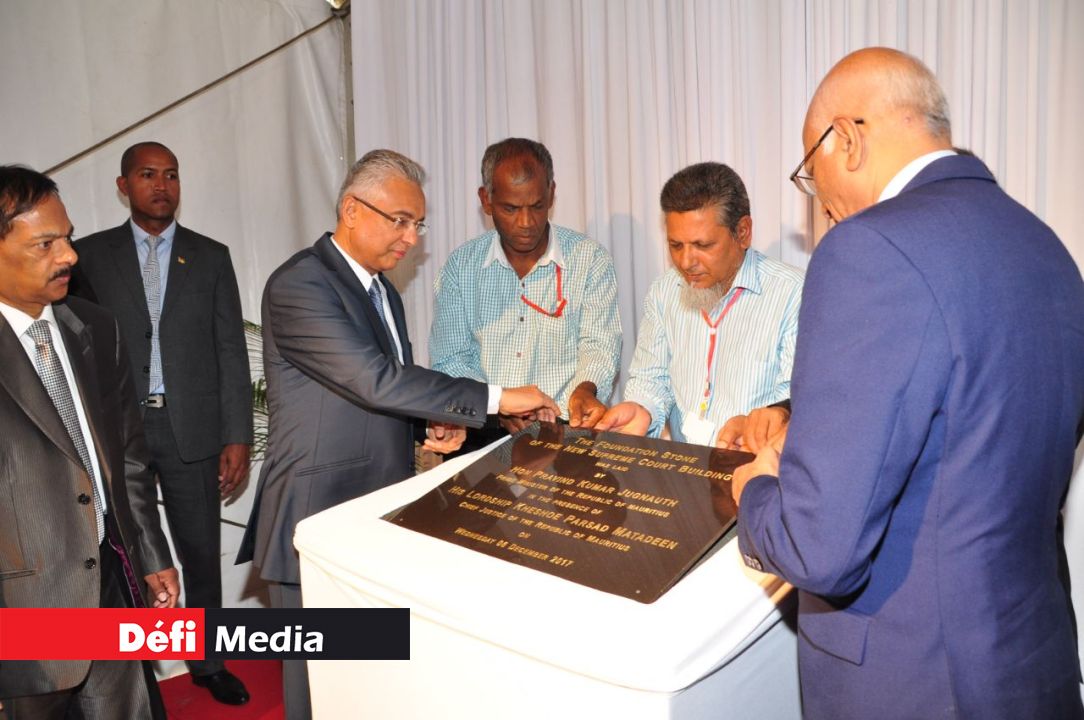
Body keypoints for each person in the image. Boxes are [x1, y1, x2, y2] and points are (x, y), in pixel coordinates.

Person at [731, 47, 1084, 719]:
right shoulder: (1047, 247)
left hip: (914, 679)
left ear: (847, 139)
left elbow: (819, 548)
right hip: (1032, 659)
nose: (820, 206)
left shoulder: (869, 249)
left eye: (811, 174)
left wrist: (757, 491)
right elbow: (974, 442)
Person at [236, 149, 559, 720]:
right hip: (316, 515)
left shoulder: (381, 290)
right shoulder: (301, 284)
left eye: (418, 224)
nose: (411, 238)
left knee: (366, 688)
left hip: (375, 513)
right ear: (351, 210)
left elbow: (390, 388)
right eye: (401, 221)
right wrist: (497, 398)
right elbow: (372, 379)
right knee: (317, 692)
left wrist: (430, 422)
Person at [70, 142, 253, 706]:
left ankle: (209, 663)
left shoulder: (210, 256)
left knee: (200, 551)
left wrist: (237, 434)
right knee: (128, 553)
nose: (161, 185)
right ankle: (138, 669)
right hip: (117, 430)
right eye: (148, 174)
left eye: (171, 175)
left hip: (190, 429)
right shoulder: (89, 256)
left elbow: (230, 349)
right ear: (123, 185)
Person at [0, 165, 180, 719]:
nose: (69, 256)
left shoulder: (96, 327)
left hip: (110, 579)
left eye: (68, 237)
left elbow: (128, 456)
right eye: (45, 244)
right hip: (21, 609)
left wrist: (151, 553)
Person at [595, 162, 804, 445]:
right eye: (675, 245)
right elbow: (651, 378)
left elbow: (795, 400)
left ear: (742, 232)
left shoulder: (793, 293)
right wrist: (642, 409)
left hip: (752, 464)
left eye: (702, 246)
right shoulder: (665, 291)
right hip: (684, 466)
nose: (686, 262)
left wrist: (760, 431)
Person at [429, 137, 621, 445]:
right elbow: (450, 358)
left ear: (552, 193)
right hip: (483, 429)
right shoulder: (460, 267)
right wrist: (498, 404)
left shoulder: (589, 259)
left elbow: (599, 344)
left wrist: (585, 390)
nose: (526, 222)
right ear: (486, 200)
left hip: (568, 426)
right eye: (510, 208)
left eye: (537, 206)